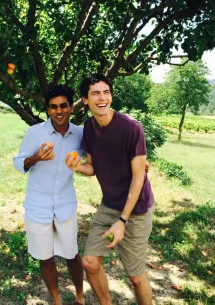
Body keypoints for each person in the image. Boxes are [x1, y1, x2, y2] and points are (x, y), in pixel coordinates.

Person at [66, 74, 155, 305]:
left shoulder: (131, 128)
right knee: (90, 263)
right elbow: (93, 168)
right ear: (85, 100)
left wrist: (122, 221)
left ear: (111, 96)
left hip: (135, 209)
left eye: (106, 92)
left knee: (135, 277)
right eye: (95, 93)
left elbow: (139, 177)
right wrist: (77, 167)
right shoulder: (89, 126)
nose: (102, 98)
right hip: (109, 204)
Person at [13, 85, 84, 305]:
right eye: (53, 107)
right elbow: (18, 162)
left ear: (72, 107)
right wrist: (36, 158)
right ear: (47, 109)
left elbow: (97, 157)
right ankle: (56, 300)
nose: (58, 111)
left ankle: (80, 296)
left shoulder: (81, 134)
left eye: (63, 105)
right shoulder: (35, 133)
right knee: (45, 256)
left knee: (72, 253)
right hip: (38, 205)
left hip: (65, 204)